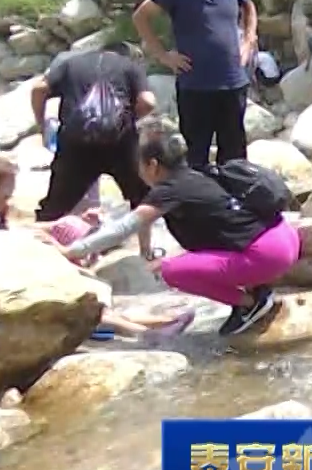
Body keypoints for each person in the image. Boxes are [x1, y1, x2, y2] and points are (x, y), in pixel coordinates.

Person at [60, 128, 297, 337]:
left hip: (266, 255)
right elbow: (144, 219)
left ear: (152, 165)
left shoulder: (170, 191)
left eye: (139, 163)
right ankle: (256, 287)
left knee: (171, 271)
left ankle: (251, 303)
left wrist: (70, 250)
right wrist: (145, 250)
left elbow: (123, 228)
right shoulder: (196, 175)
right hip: (284, 236)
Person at [0, 156, 195, 341]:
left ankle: (160, 323)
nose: (8, 201)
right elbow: (10, 242)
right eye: (5, 195)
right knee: (76, 303)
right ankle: (146, 334)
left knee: (86, 301)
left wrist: (63, 223)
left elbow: (14, 230)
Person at [134, 0, 256, 166]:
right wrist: (163, 55)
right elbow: (141, 16)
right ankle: (199, 200)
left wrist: (249, 40)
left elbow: (249, 6)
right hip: (195, 85)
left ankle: (233, 200)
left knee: (234, 152)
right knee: (196, 153)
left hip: (233, 81)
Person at [30, 43, 158, 259]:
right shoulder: (130, 66)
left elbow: (38, 88)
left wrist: (40, 124)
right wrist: (131, 118)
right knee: (142, 197)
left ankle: (37, 253)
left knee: (55, 205)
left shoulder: (71, 63)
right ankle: (146, 251)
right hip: (120, 144)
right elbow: (148, 101)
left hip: (76, 145)